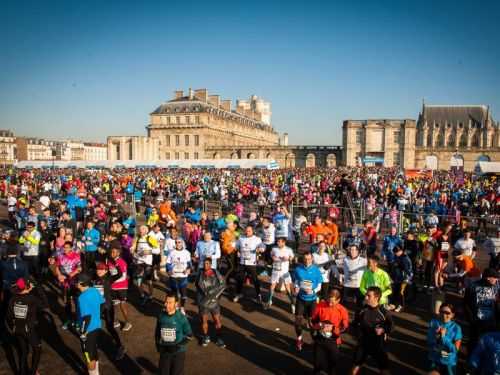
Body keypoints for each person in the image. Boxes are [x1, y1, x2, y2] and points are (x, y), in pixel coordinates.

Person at [6, 278, 46, 375]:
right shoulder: (31, 298)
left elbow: (9, 316)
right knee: (37, 349)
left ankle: (22, 372)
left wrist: (13, 327)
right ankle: (33, 372)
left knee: (24, 351)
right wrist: (39, 289)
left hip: (17, 329)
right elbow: (44, 304)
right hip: (29, 330)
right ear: (27, 286)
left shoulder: (12, 299)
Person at [351, 286, 393, 375]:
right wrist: (357, 335)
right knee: (355, 366)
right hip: (363, 343)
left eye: (368, 296)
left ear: (376, 298)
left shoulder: (383, 312)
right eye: (366, 295)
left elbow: (391, 326)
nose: (365, 297)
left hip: (378, 345)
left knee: (384, 368)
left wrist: (383, 330)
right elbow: (354, 324)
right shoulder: (361, 310)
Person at [311, 288, 349, 375]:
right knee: (317, 364)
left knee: (332, 366)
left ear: (338, 300)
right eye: (329, 301)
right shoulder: (320, 305)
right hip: (320, 340)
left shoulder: (342, 310)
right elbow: (313, 321)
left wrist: (333, 329)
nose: (330, 303)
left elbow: (345, 328)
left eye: (332, 302)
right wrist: (319, 326)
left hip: (334, 341)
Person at [93, 262, 126, 360]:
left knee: (109, 327)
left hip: (107, 306)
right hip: (97, 306)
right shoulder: (93, 279)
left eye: (101, 269)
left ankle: (120, 346)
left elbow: (120, 274)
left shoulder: (109, 278)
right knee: (94, 325)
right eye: (98, 269)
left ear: (106, 271)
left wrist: (114, 262)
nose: (99, 271)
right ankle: (93, 344)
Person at [155, 291, 193, 375]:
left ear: (176, 304)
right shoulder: (161, 316)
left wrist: (177, 346)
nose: (166, 305)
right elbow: (157, 332)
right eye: (166, 302)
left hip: (178, 353)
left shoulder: (181, 318)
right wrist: (158, 346)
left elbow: (189, 335)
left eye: (170, 303)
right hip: (165, 351)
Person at [464, 268, 500, 354]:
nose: (497, 280)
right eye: (495, 278)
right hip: (477, 321)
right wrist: (471, 319)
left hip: (491, 322)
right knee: (474, 341)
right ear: (488, 278)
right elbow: (466, 303)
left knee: (488, 342)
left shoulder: (496, 287)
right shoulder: (473, 286)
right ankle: (471, 361)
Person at [293, 251, 323, 351]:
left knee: (311, 323)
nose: (307, 261)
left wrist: (313, 290)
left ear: (312, 259)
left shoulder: (316, 270)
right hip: (301, 299)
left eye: (309, 259)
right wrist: (296, 287)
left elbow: (319, 285)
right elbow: (296, 281)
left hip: (312, 300)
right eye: (305, 259)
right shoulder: (298, 269)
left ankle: (314, 340)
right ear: (303, 259)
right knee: (297, 322)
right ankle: (299, 339)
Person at [77, 273, 104, 375]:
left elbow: (86, 317)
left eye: (77, 281)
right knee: (93, 351)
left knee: (88, 356)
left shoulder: (82, 297)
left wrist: (83, 332)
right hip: (97, 326)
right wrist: (97, 316)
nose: (75, 283)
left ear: (81, 283)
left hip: (88, 330)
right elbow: (102, 304)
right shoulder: (94, 290)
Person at [195, 257, 226, 348]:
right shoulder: (199, 273)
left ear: (211, 264)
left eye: (207, 264)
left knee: (217, 320)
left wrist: (216, 297)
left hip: (214, 302)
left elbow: (223, 285)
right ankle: (205, 337)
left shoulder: (216, 272)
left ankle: (219, 339)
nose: (205, 265)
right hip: (203, 302)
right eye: (204, 264)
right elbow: (197, 285)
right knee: (204, 321)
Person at [427, 303, 462, 375]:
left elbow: (455, 350)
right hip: (434, 359)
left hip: (449, 362)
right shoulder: (433, 323)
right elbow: (429, 342)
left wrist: (443, 337)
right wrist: (436, 336)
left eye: (447, 313)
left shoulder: (456, 328)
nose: (444, 315)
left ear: (452, 314)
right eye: (442, 312)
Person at [233, 226, 265, 303]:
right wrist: (235, 249)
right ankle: (238, 294)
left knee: (255, 280)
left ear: (252, 231)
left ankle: (258, 295)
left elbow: (262, 245)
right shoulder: (241, 238)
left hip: (251, 263)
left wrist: (261, 249)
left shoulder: (257, 239)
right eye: (246, 231)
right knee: (239, 279)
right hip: (242, 262)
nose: (247, 232)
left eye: (249, 231)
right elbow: (235, 245)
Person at [265, 236, 295, 311]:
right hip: (275, 270)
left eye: (279, 241)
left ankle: (292, 303)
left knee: (287, 287)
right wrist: (273, 257)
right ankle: (269, 300)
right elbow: (271, 254)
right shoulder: (274, 249)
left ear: (284, 242)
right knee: (272, 285)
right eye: (277, 241)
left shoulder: (288, 249)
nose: (278, 243)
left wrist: (288, 259)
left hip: (285, 272)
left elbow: (292, 258)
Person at [108, 242, 132, 332]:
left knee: (122, 305)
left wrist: (111, 281)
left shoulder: (122, 262)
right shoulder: (109, 261)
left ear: (118, 253)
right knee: (114, 305)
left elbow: (123, 277)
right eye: (111, 252)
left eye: (114, 252)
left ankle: (128, 322)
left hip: (121, 287)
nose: (112, 254)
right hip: (113, 287)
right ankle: (115, 321)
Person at [131, 225, 158, 305]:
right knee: (139, 281)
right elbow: (133, 247)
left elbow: (157, 250)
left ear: (146, 230)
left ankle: (151, 295)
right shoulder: (137, 238)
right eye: (140, 229)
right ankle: (142, 295)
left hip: (148, 262)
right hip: (139, 262)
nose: (140, 230)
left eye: (142, 229)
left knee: (149, 281)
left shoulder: (150, 238)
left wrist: (149, 252)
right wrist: (132, 250)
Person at [166, 239, 192, 315]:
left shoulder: (187, 252)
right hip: (174, 276)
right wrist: (169, 270)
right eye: (176, 242)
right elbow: (168, 263)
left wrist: (188, 269)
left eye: (179, 242)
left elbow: (189, 263)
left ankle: (182, 307)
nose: (178, 244)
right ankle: (175, 306)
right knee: (174, 294)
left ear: (182, 243)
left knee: (183, 294)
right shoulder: (171, 252)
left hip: (183, 276)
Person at [389, 246, 413, 312]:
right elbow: (394, 267)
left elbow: (408, 270)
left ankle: (401, 306)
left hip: (404, 278)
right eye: (395, 252)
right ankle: (393, 304)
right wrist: (392, 276)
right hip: (397, 277)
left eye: (397, 252)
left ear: (401, 251)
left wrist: (407, 279)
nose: (396, 253)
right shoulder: (397, 257)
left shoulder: (405, 258)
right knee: (395, 291)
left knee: (401, 292)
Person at [343, 245, 367, 309]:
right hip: (347, 285)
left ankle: (358, 317)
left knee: (359, 304)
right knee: (345, 304)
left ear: (357, 251)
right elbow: (334, 262)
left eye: (353, 250)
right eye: (350, 250)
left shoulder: (363, 260)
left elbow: (370, 267)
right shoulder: (345, 259)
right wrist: (339, 276)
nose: (352, 251)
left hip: (358, 285)